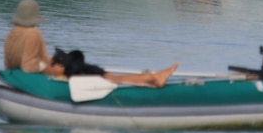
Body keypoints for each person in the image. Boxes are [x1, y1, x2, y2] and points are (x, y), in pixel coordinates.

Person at [3, 0, 178, 87]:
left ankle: (150, 77)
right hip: (58, 71)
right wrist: (53, 67)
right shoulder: (32, 33)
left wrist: (48, 60)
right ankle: (152, 78)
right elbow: (29, 66)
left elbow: (13, 63)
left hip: (32, 75)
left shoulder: (12, 35)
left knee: (97, 71)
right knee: (105, 76)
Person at [50, 48, 178, 88]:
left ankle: (154, 78)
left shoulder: (70, 72)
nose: (52, 66)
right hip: (91, 71)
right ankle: (155, 77)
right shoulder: (71, 71)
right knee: (118, 78)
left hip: (92, 74)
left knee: (118, 79)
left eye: (54, 64)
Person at [3, 0, 62, 76]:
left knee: (51, 60)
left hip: (14, 74)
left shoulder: (10, 34)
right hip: (30, 77)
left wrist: (46, 60)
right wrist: (48, 68)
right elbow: (28, 67)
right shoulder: (32, 33)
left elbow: (7, 65)